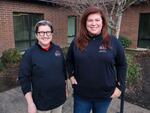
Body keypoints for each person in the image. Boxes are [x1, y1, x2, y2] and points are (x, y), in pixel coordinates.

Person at [66, 6, 127, 113]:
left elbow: (122, 65)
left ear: (103, 22)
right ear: (85, 23)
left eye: (97, 20)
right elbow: (69, 60)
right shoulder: (76, 42)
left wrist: (120, 86)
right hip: (81, 94)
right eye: (90, 20)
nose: (94, 23)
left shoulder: (113, 42)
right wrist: (70, 76)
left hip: (104, 95)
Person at [18, 20, 67, 113]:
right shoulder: (29, 54)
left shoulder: (58, 49)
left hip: (59, 100)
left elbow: (63, 71)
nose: (45, 35)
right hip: (42, 104)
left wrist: (65, 89)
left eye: (48, 32)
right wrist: (30, 103)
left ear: (52, 34)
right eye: (41, 32)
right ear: (36, 35)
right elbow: (24, 78)